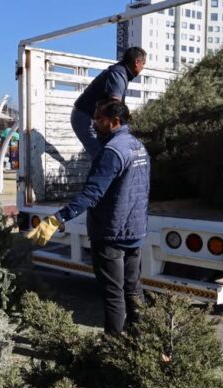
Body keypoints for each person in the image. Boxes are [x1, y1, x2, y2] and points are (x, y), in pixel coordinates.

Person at [27, 99, 149, 335]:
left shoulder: (112, 152)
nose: (94, 125)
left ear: (115, 121)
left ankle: (113, 346)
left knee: (113, 294)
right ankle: (142, 341)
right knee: (133, 289)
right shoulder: (138, 146)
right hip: (135, 231)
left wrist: (58, 218)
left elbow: (92, 194)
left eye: (99, 120)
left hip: (111, 234)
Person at [70, 47, 146, 156]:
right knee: (102, 156)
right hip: (86, 117)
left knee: (106, 154)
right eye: (143, 64)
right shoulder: (119, 74)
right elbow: (115, 106)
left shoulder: (121, 72)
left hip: (90, 117)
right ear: (137, 62)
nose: (143, 67)